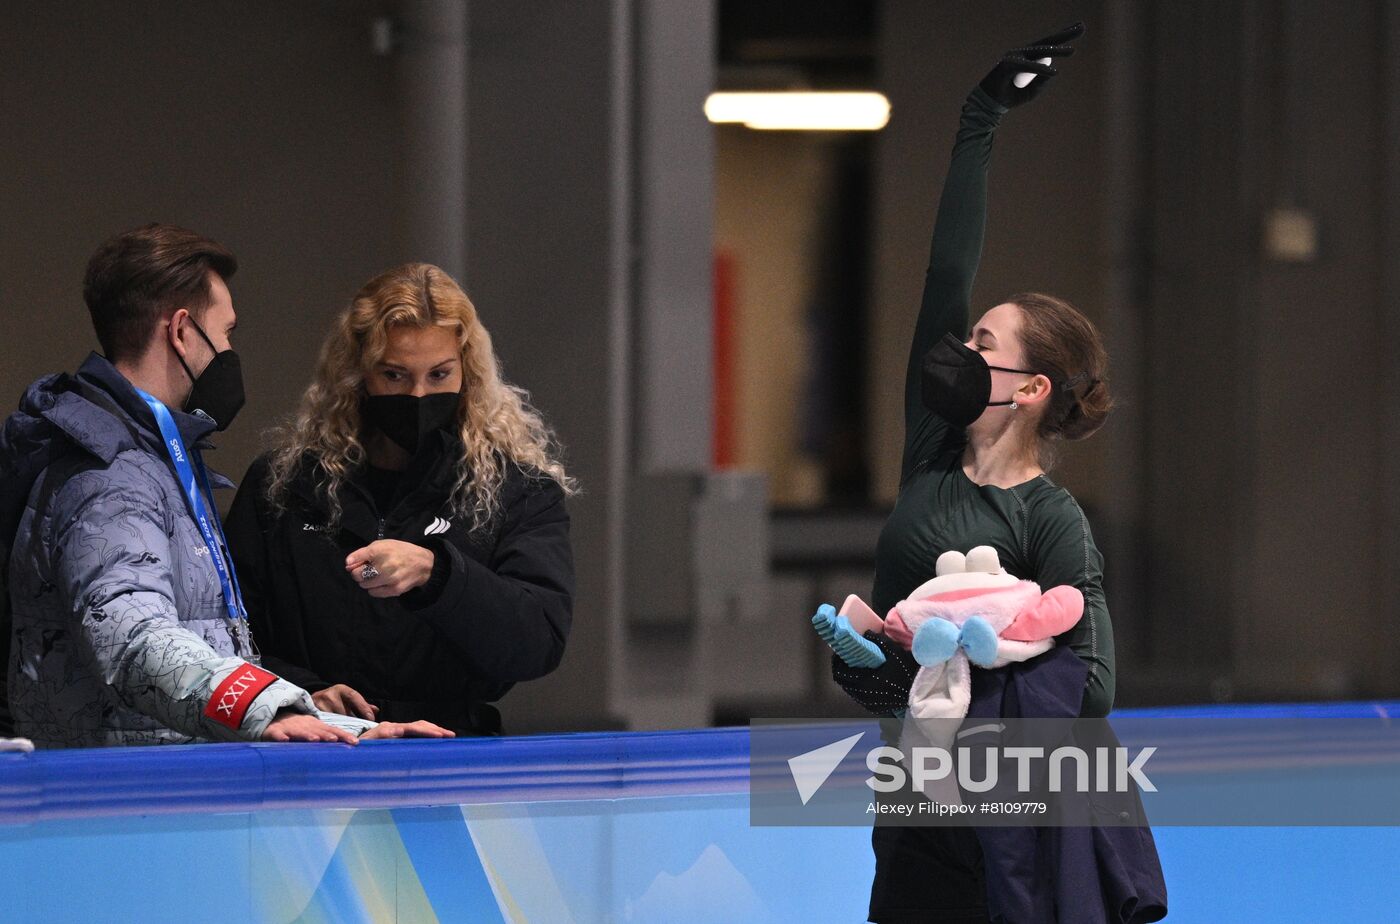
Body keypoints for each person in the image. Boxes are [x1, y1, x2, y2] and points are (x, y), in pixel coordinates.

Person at [824, 25, 1155, 922]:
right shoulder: (930, 449)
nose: (960, 352)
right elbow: (946, 269)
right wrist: (980, 118)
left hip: (1016, 818)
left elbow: (1095, 687)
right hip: (916, 801)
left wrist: (976, 647)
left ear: (1033, 388)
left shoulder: (1052, 519)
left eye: (983, 344)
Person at [0, 223, 451, 747]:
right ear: (182, 331)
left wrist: (357, 732)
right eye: (226, 331)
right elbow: (134, 639)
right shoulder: (110, 475)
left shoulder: (152, 459)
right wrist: (266, 712)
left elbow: (211, 666)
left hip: (162, 780)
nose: (229, 350)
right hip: (129, 792)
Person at [224, 263, 575, 737]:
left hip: (449, 748)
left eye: (439, 374)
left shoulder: (517, 490)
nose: (418, 394)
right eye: (394, 375)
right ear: (358, 374)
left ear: (467, 373)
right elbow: (229, 632)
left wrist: (438, 574)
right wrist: (299, 691)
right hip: (318, 742)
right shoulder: (284, 484)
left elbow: (537, 641)